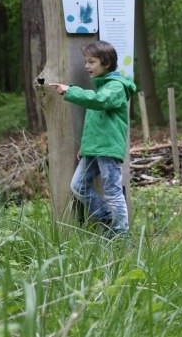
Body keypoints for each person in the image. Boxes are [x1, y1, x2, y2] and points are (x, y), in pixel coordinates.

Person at [51, 41, 137, 237]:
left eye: (91, 62)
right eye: (85, 61)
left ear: (106, 63)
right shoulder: (101, 87)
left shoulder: (115, 87)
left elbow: (100, 102)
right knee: (78, 185)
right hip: (94, 148)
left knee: (113, 192)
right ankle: (106, 216)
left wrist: (70, 91)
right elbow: (95, 124)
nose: (86, 66)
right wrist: (85, 147)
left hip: (107, 148)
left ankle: (120, 235)